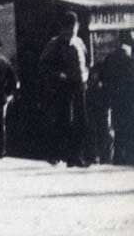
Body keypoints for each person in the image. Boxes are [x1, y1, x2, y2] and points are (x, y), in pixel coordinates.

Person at [39, 9, 90, 166]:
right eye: (69, 29)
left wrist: (87, 74)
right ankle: (59, 154)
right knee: (64, 121)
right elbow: (43, 65)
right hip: (64, 86)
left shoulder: (79, 42)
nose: (72, 32)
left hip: (80, 86)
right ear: (64, 28)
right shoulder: (54, 43)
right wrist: (58, 75)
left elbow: (87, 60)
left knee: (81, 121)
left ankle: (76, 156)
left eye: (74, 28)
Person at [100, 31, 134, 165]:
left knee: (118, 129)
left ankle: (118, 159)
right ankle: (130, 158)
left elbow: (102, 78)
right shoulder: (130, 60)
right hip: (130, 100)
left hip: (115, 100)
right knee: (130, 130)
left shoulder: (110, 58)